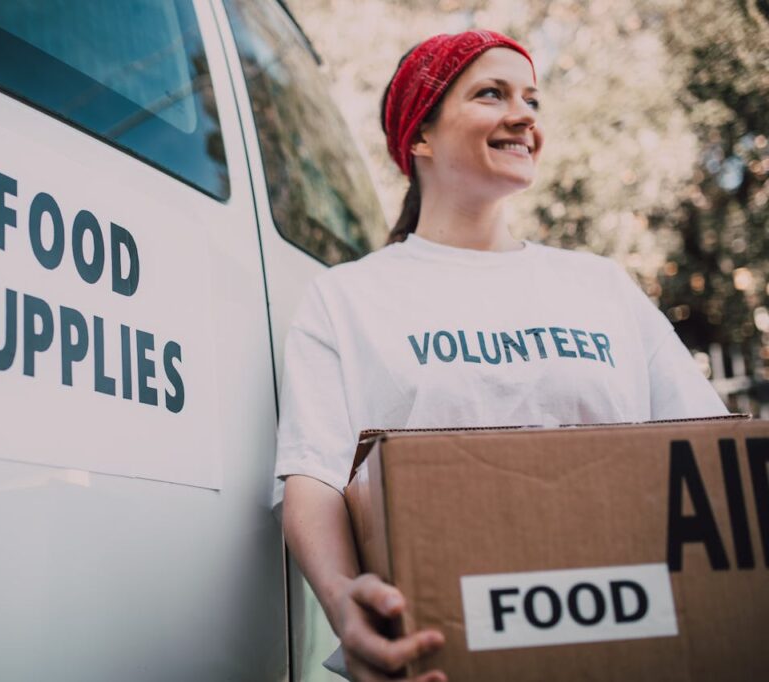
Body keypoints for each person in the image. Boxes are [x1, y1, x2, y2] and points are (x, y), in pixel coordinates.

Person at [273, 30, 728, 682]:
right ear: (420, 136)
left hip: (634, 643)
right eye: (492, 93)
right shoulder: (345, 299)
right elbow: (312, 476)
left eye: (532, 100)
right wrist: (342, 599)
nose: (525, 116)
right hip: (441, 656)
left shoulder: (600, 287)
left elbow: (708, 450)